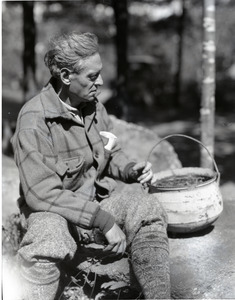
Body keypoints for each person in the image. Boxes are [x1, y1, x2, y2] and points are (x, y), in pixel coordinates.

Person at [11, 32, 170, 299]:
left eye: (100, 73)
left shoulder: (94, 107)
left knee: (148, 208)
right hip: (54, 213)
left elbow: (110, 153)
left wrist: (131, 169)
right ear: (65, 76)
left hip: (96, 205)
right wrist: (103, 221)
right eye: (93, 76)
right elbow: (42, 194)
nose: (102, 82)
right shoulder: (33, 120)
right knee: (48, 238)